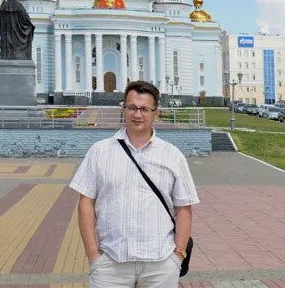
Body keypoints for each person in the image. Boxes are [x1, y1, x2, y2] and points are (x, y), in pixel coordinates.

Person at [69, 80, 199, 287]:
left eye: (144, 109)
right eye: (131, 108)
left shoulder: (172, 155)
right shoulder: (100, 151)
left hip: (160, 265)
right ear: (123, 109)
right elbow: (86, 203)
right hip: (111, 264)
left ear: (155, 113)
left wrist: (177, 256)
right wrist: (93, 256)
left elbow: (184, 207)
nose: (137, 114)